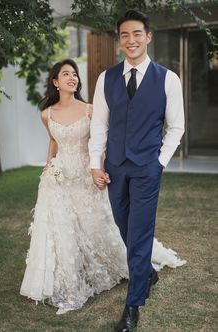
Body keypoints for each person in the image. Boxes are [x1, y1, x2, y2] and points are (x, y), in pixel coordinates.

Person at [20, 59, 186, 316]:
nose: (72, 78)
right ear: (56, 82)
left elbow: (102, 134)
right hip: (62, 177)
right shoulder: (47, 113)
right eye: (66, 74)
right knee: (67, 228)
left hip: (91, 174)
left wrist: (101, 165)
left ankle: (137, 281)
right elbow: (53, 140)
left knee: (101, 225)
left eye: (75, 74)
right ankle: (75, 275)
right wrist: (48, 163)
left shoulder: (89, 109)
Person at [89, 10, 185, 332]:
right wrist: (95, 164)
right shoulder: (106, 78)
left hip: (147, 168)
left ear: (148, 37)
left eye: (137, 34)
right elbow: (99, 125)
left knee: (140, 229)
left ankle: (133, 304)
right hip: (115, 166)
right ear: (119, 41)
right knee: (123, 224)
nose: (131, 40)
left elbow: (176, 127)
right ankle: (148, 271)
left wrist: (159, 162)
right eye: (125, 35)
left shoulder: (168, 79)